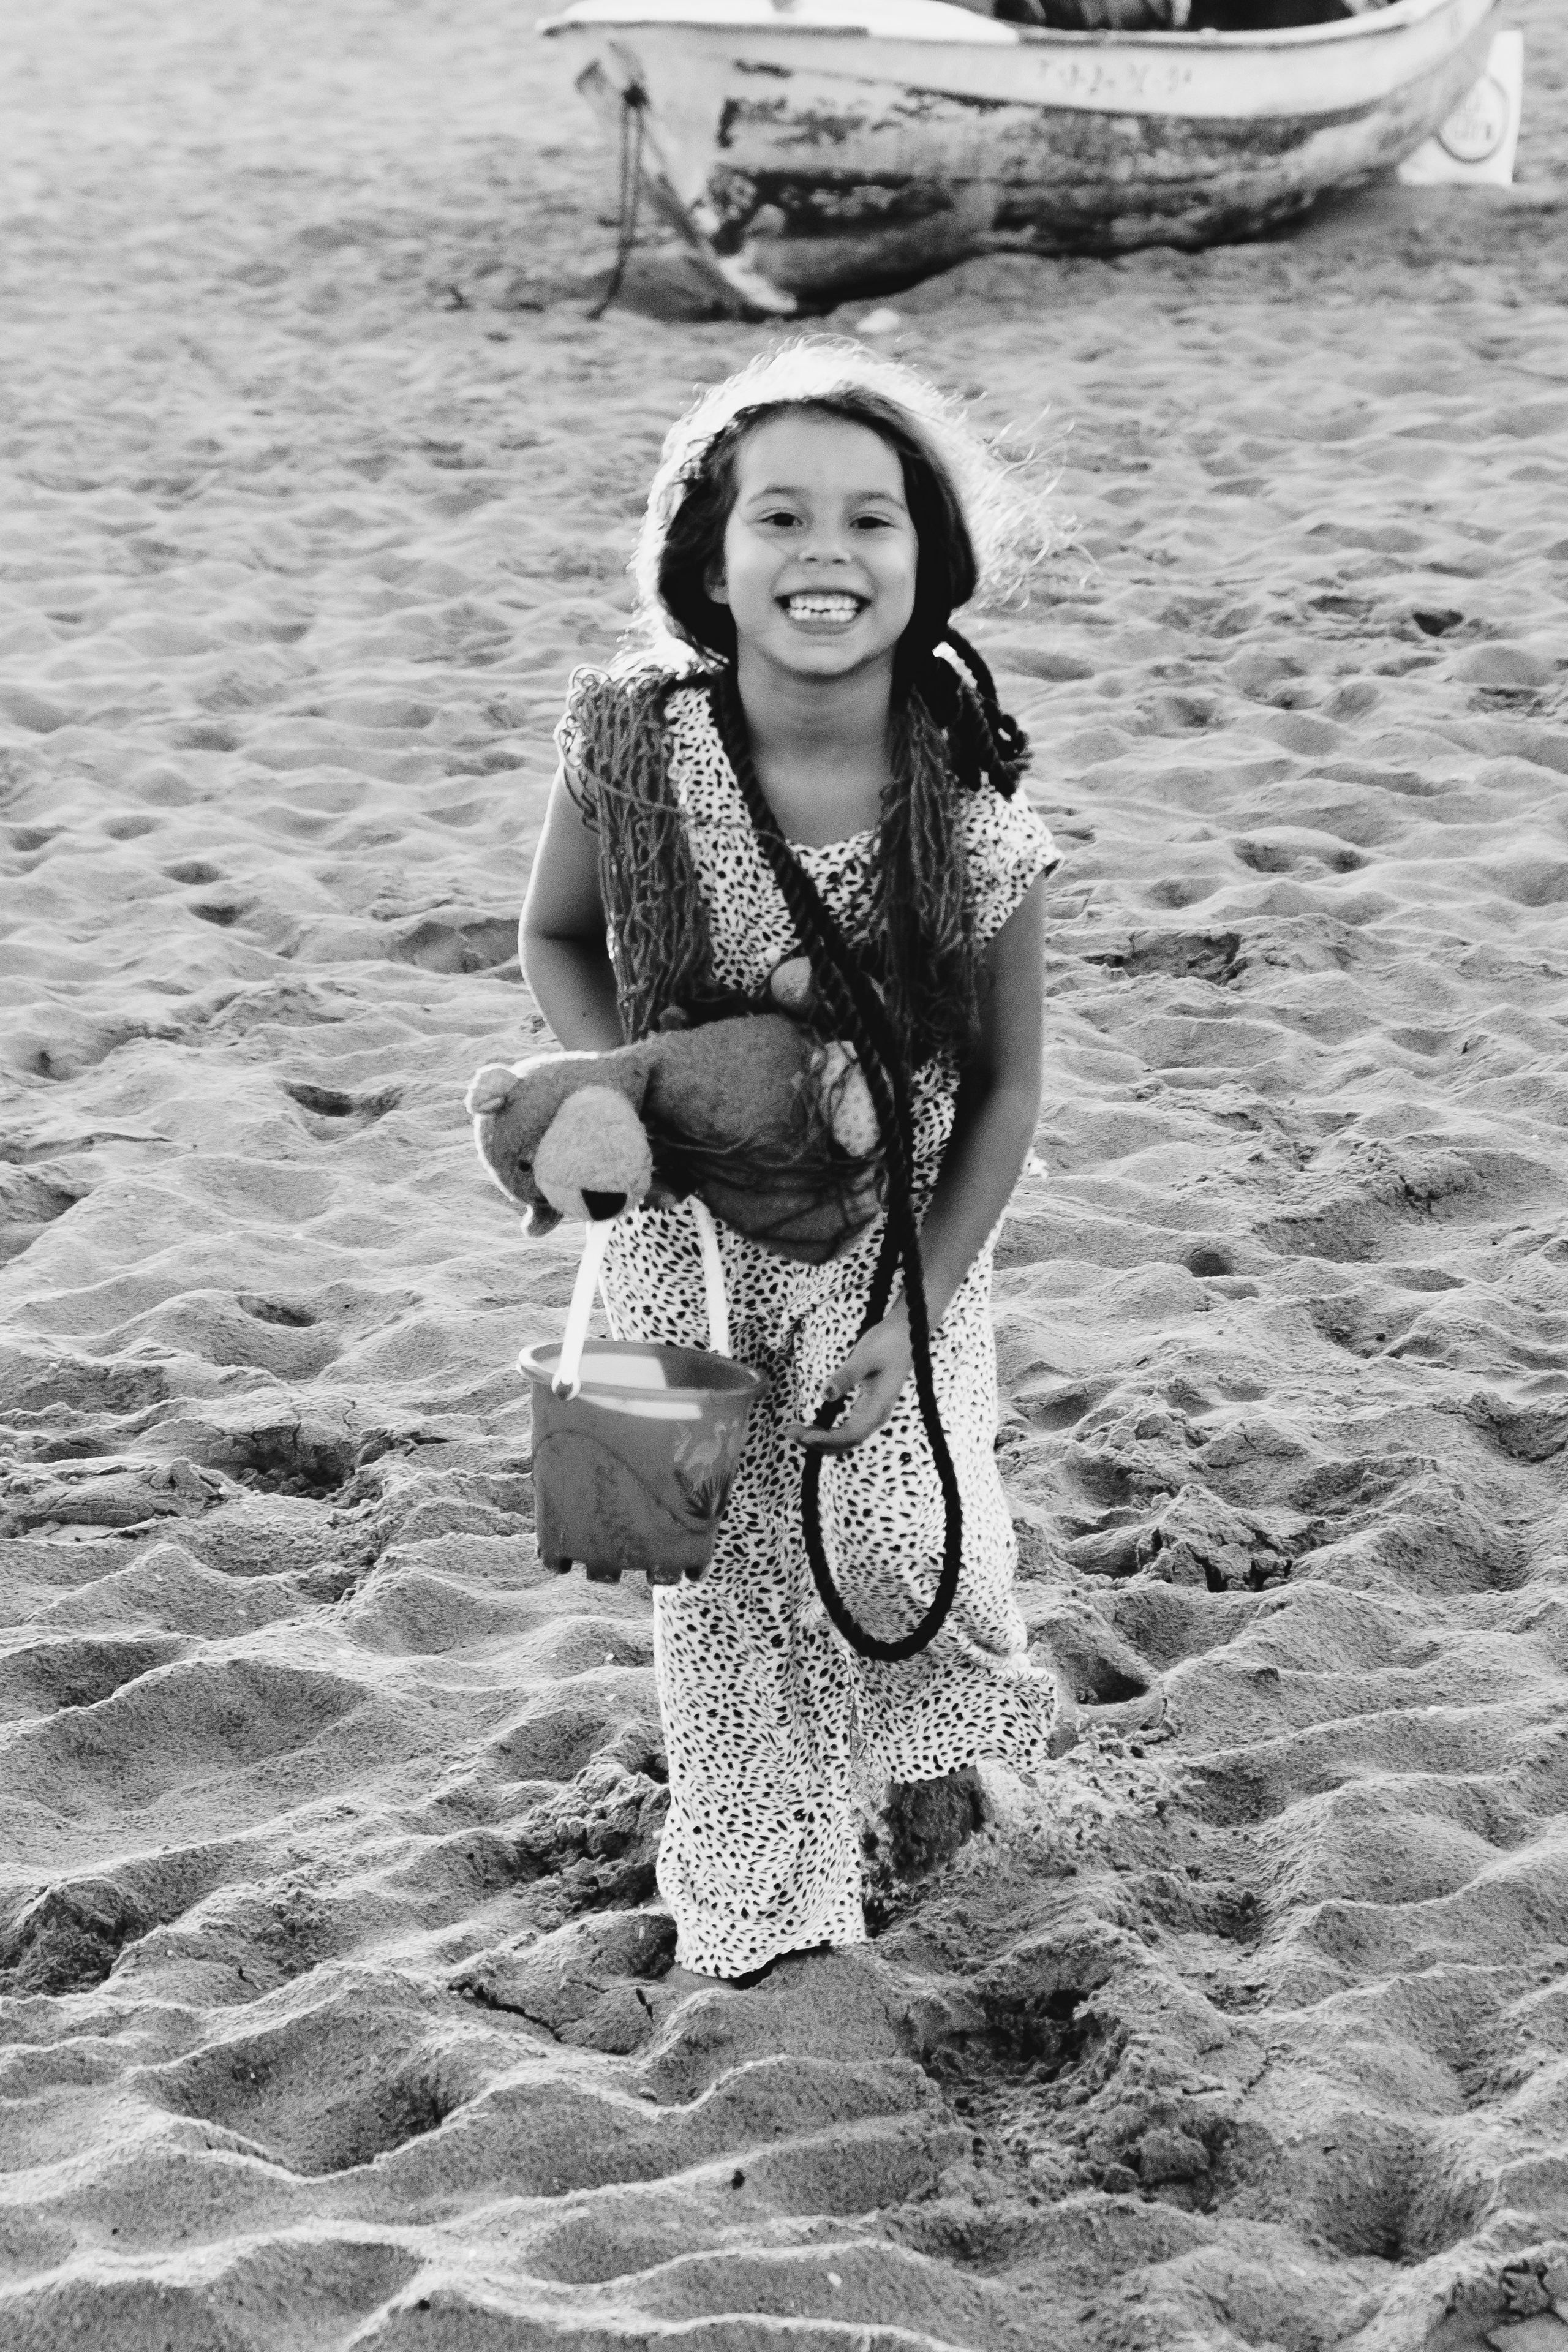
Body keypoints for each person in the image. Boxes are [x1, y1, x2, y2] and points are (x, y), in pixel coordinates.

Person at [521, 341, 1060, 1983]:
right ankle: (766, 1893)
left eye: (871, 519)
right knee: (703, 1557)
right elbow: (555, 937)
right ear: (708, 560)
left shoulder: (967, 803)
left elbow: (1010, 1087)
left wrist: (918, 1307)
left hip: (888, 1231)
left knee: (900, 1537)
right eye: (780, 516)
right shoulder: (631, 748)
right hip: (676, 1228)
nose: (826, 553)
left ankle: (932, 1752)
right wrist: (621, 1089)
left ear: (929, 564)